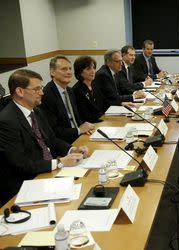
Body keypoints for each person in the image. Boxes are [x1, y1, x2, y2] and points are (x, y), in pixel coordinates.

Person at [0, 69, 88, 205]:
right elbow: (21, 165)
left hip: (46, 173)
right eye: (36, 89)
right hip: (25, 186)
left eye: (41, 88)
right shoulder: (6, 122)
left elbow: (52, 140)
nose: (42, 92)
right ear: (20, 91)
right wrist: (60, 162)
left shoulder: (36, 111)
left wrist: (72, 150)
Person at [40, 56, 95, 144]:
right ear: (52, 72)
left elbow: (76, 118)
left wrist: (85, 128)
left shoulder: (69, 90)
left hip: (79, 136)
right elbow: (53, 131)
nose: (69, 72)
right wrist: (78, 130)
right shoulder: (46, 95)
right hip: (64, 143)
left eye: (70, 69)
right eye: (64, 69)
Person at [72, 56, 108, 123]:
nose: (93, 71)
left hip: (102, 120)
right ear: (80, 72)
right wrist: (105, 117)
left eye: (94, 68)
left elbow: (104, 103)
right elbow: (85, 116)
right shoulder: (77, 90)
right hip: (91, 124)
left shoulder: (95, 84)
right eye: (88, 69)